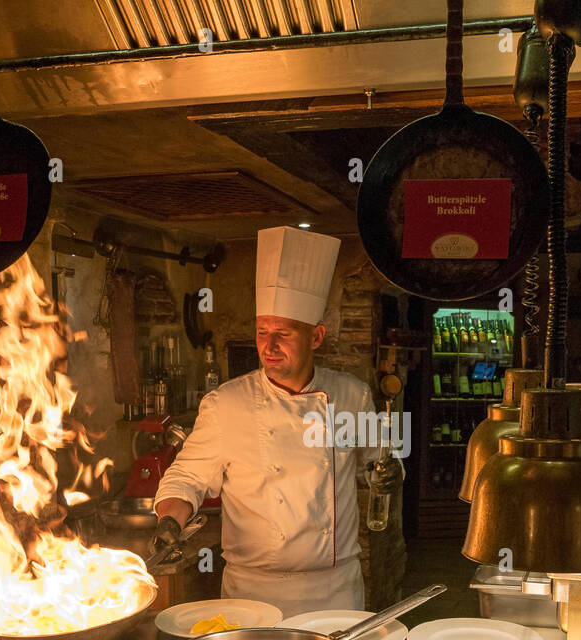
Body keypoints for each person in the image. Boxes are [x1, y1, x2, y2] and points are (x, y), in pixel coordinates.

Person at [153, 226, 401, 617]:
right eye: (262, 332)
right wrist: (170, 520)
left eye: (283, 334)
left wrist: (390, 473)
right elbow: (187, 477)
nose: (268, 346)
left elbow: (379, 465)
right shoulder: (225, 404)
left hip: (334, 591)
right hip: (251, 593)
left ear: (316, 337)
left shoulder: (354, 396)